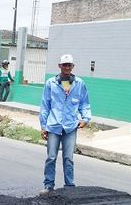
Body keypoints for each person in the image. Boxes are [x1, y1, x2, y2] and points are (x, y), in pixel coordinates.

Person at [38, 54, 91, 195]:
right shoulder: (51, 83)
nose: (67, 67)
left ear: (73, 67)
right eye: (64, 65)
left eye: (69, 65)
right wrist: (43, 126)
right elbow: (45, 105)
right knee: (51, 157)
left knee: (68, 158)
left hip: (70, 127)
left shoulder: (79, 84)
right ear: (59, 66)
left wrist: (85, 119)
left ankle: (69, 187)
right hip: (54, 126)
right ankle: (48, 185)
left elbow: (84, 103)